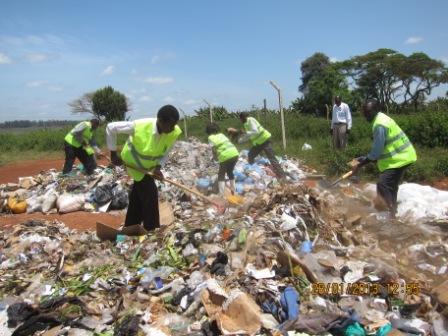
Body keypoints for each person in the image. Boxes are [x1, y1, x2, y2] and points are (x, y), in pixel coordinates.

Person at [106, 105, 182, 231]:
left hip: (148, 168)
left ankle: (130, 226)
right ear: (160, 121)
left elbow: (166, 152)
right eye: (170, 125)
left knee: (138, 195)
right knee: (150, 193)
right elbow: (111, 127)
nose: (173, 128)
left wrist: (158, 168)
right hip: (133, 164)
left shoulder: (173, 132)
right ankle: (152, 230)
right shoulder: (140, 126)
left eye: (174, 125)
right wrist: (113, 154)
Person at [351, 99, 417, 218]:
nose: (366, 115)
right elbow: (380, 148)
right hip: (403, 156)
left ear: (376, 110)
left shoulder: (379, 124)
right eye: (364, 112)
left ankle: (388, 215)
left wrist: (361, 163)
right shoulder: (381, 118)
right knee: (390, 186)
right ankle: (392, 211)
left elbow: (376, 153)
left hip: (400, 159)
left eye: (368, 112)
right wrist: (365, 158)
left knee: (383, 184)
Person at [228, 112, 285, 179]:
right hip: (259, 143)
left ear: (244, 118)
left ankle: (282, 176)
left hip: (265, 140)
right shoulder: (246, 124)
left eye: (242, 119)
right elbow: (248, 136)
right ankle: (254, 171)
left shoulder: (250, 120)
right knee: (250, 155)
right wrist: (239, 141)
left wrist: (243, 132)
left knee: (272, 158)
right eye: (241, 119)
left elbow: (255, 131)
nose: (241, 120)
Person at [206, 122, 239, 195]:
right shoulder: (222, 135)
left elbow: (213, 150)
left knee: (221, 175)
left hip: (225, 156)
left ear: (208, 131)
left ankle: (221, 194)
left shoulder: (210, 137)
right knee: (230, 172)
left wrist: (215, 159)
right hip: (235, 154)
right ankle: (234, 191)